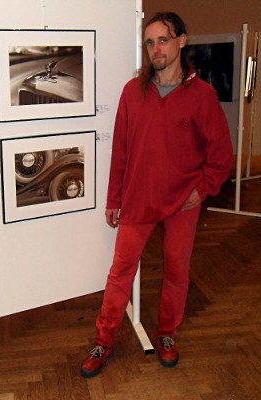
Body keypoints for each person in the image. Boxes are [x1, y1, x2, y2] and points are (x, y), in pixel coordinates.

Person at [80, 12, 233, 378]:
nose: (155, 49)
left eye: (163, 40)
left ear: (182, 40)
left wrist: (203, 188)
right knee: (120, 272)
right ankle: (105, 340)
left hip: (183, 202)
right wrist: (114, 199)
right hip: (138, 199)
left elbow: (221, 154)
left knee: (177, 271)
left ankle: (167, 333)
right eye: (149, 42)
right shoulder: (133, 92)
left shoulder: (203, 95)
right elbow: (121, 150)